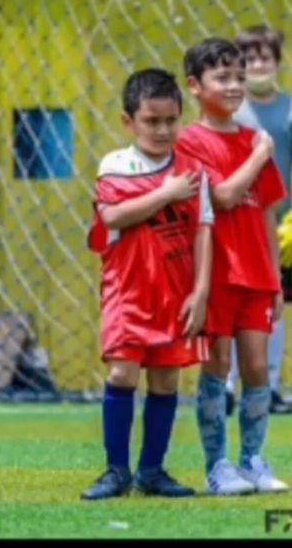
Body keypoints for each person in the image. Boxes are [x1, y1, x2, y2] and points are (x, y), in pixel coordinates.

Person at [82, 68, 213, 500]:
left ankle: (152, 471)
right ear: (129, 121)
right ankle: (116, 471)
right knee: (123, 372)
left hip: (175, 293)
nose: (162, 130)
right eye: (151, 121)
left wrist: (200, 292)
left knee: (166, 381)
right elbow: (112, 217)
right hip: (128, 290)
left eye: (170, 120)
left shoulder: (194, 170)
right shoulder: (116, 165)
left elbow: (203, 231)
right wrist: (166, 194)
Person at [176, 38, 290, 495]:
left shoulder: (250, 138)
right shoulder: (190, 141)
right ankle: (218, 465)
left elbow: (266, 212)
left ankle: (254, 461)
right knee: (218, 365)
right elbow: (222, 197)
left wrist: (276, 279)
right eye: (222, 77)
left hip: (256, 274)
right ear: (195, 85)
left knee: (257, 367)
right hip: (217, 273)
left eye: (239, 78)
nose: (233, 86)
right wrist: (259, 155)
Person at [223, 24, 292, 417]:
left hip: (276, 227)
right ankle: (227, 386)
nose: (258, 65)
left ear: (278, 62)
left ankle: (271, 386)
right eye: (249, 59)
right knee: (231, 305)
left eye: (265, 57)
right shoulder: (231, 111)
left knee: (275, 306)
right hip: (235, 223)